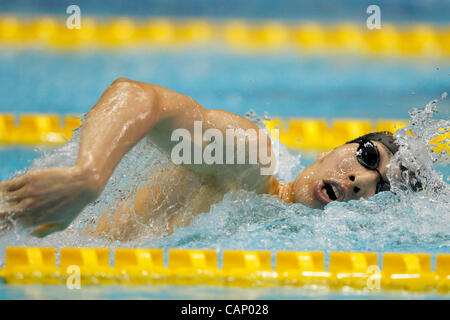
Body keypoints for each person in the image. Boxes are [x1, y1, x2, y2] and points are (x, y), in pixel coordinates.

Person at [0, 78, 399, 240]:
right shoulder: (247, 161)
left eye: (378, 189)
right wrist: (87, 178)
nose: (360, 181)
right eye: (366, 156)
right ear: (331, 150)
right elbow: (138, 96)